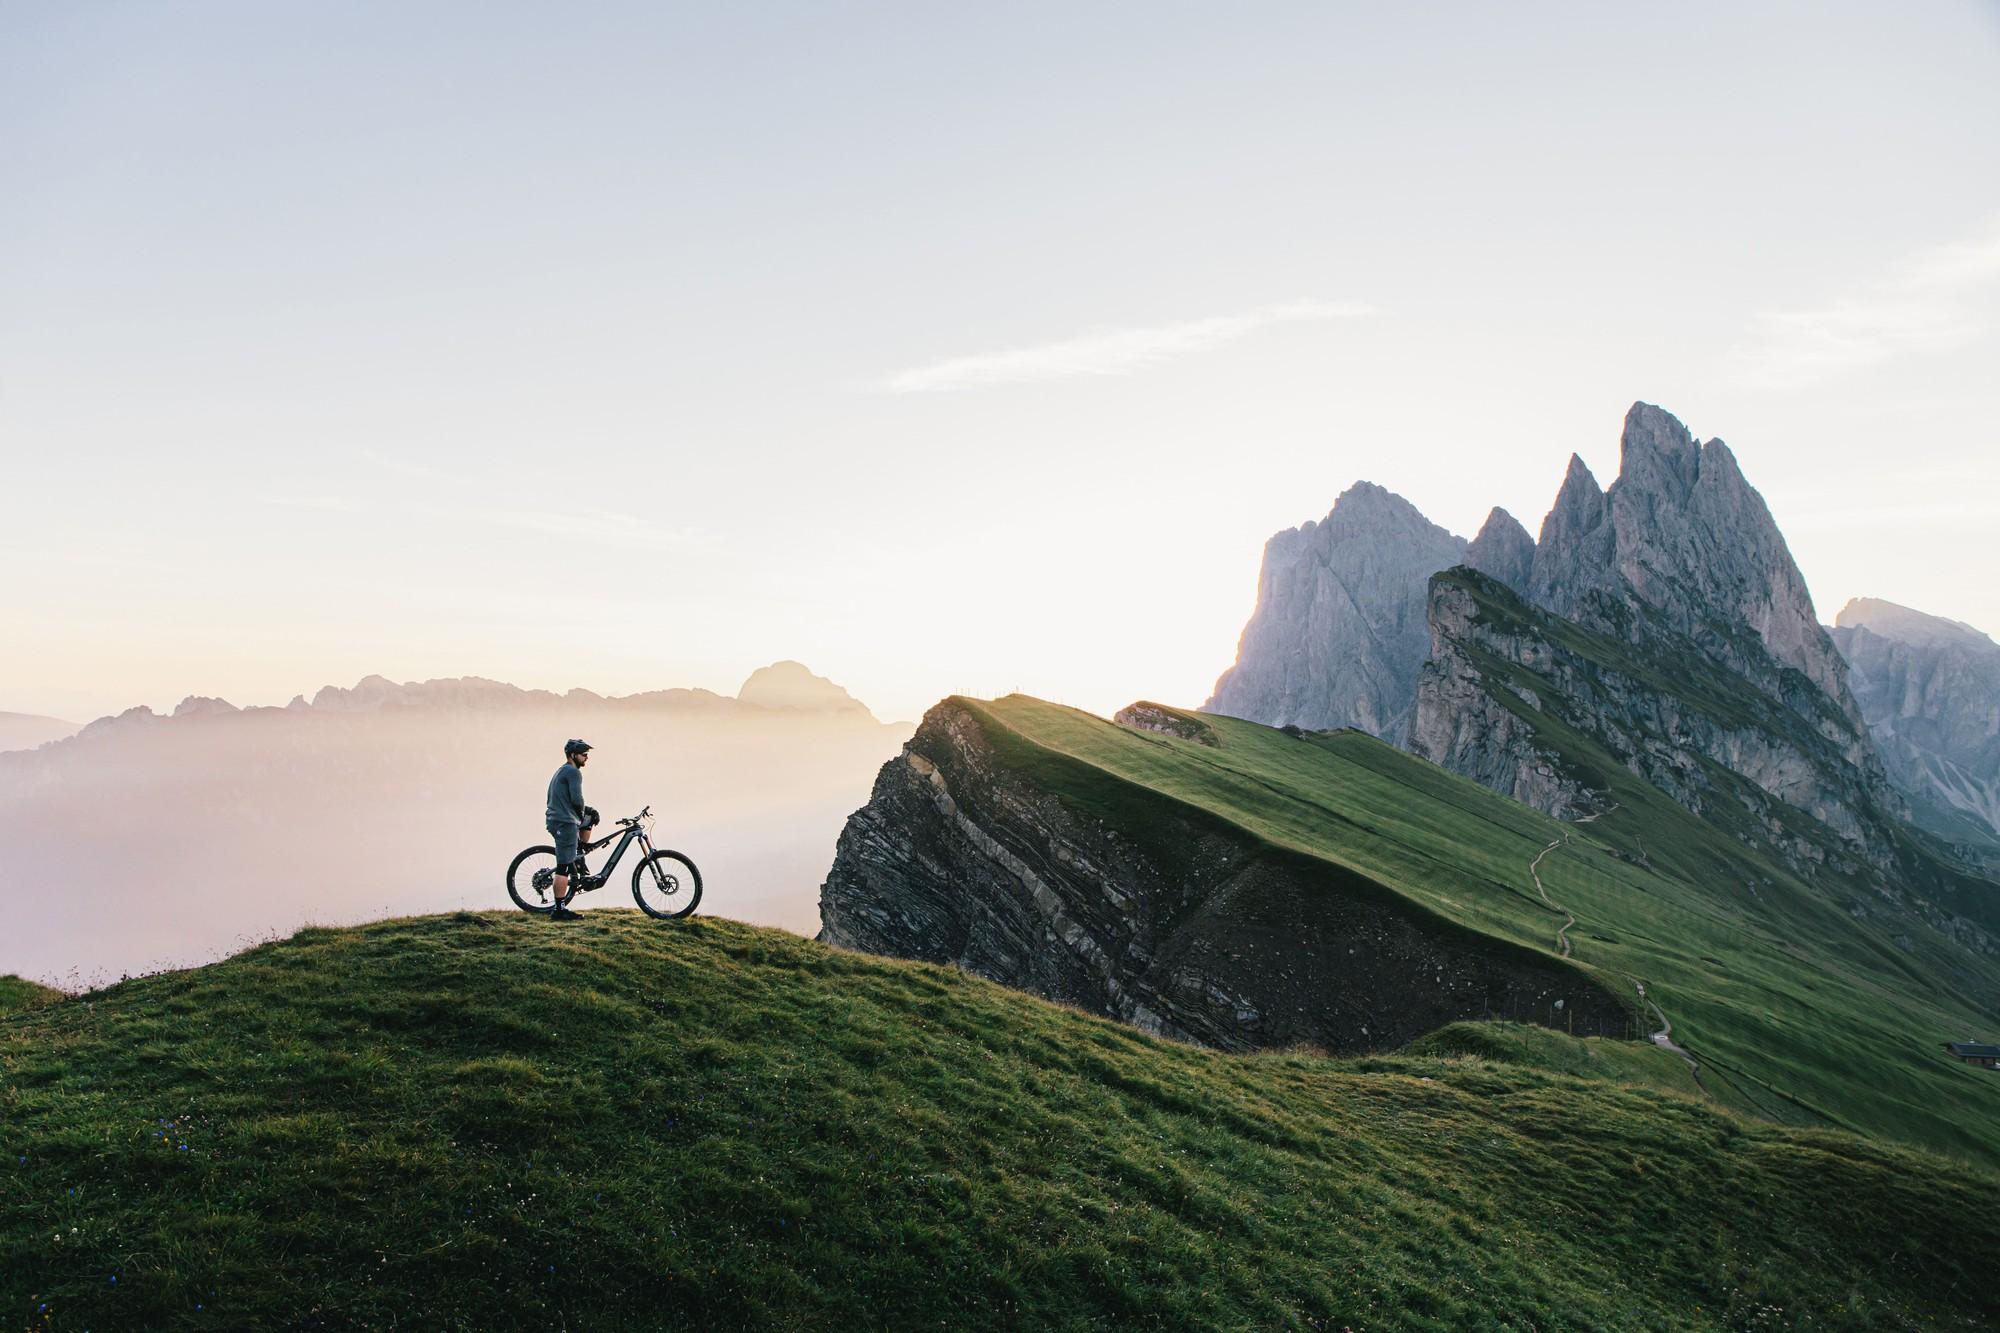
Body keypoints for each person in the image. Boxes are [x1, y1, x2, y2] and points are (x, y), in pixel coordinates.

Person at [545, 738, 598, 921]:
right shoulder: (573, 773)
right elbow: (576, 799)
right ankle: (559, 910)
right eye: (584, 754)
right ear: (573, 755)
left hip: (561, 819)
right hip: (564, 823)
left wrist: (586, 814)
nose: (586, 758)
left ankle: (579, 854)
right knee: (563, 868)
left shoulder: (562, 770)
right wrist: (583, 811)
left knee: (591, 819)